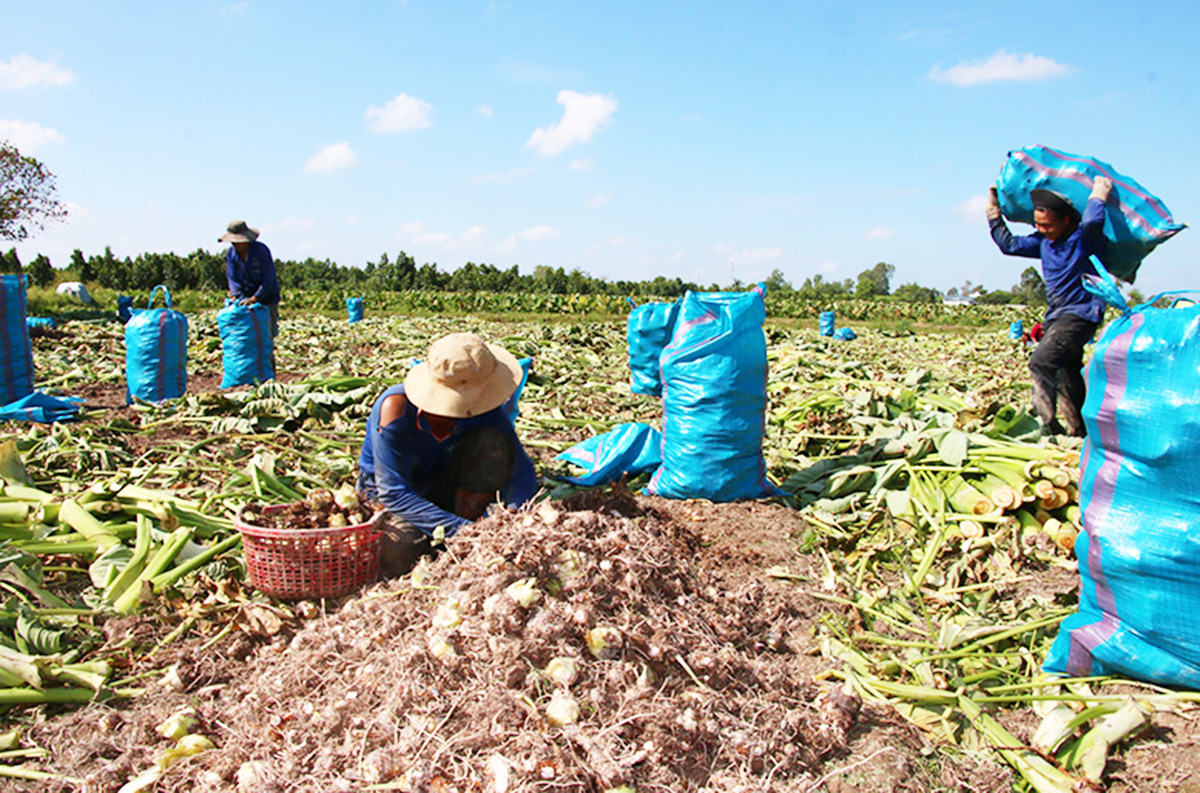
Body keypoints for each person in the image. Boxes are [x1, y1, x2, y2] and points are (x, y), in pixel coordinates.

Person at [357, 332, 537, 574]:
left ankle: (457, 537)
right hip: (395, 498)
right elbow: (394, 493)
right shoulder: (396, 408)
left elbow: (522, 471)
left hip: (443, 481)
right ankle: (453, 541)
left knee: (491, 442)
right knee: (399, 547)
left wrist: (512, 516)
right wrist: (465, 532)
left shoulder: (485, 410)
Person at [986, 177, 1113, 436]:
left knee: (1040, 361)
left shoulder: (1083, 240)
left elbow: (1092, 221)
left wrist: (1099, 193)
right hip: (1057, 316)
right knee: (1067, 374)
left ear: (1066, 220)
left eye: (1047, 225)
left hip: (1081, 314)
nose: (1042, 230)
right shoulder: (1044, 243)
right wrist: (993, 213)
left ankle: (1045, 425)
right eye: (1038, 225)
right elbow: (1008, 245)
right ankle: (1080, 432)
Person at [219, 220, 280, 339]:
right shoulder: (231, 253)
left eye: (238, 242)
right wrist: (236, 295)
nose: (235, 245)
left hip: (266, 299)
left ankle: (267, 357)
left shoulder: (261, 251)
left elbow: (268, 279)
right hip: (244, 299)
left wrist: (255, 298)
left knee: (265, 335)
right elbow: (232, 278)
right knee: (245, 335)